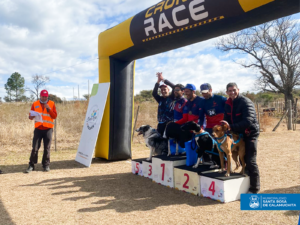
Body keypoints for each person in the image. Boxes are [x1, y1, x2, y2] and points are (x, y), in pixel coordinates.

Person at [223, 82, 260, 194]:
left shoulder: (245, 102)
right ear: (227, 92)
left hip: (250, 133)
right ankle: (244, 185)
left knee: (250, 160)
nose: (232, 92)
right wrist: (225, 127)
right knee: (240, 159)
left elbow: (248, 121)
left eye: (234, 90)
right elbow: (226, 118)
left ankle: (254, 189)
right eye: (230, 91)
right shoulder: (227, 103)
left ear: (238, 90)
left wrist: (231, 127)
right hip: (237, 134)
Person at [25, 90, 57, 173]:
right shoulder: (35, 104)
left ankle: (46, 165)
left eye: (46, 96)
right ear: (40, 96)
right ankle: (31, 165)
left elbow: (54, 116)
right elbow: (30, 117)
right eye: (43, 96)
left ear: (47, 96)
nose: (44, 98)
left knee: (47, 148)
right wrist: (31, 116)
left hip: (48, 129)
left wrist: (49, 109)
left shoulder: (52, 104)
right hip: (38, 129)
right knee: (35, 148)